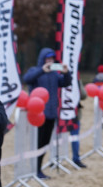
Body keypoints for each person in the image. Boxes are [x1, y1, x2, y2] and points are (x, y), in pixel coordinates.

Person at [23, 48, 72, 179]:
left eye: (52, 59)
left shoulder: (55, 74)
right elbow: (27, 79)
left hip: (51, 114)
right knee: (36, 142)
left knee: (44, 144)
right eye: (48, 58)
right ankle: (33, 169)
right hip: (37, 114)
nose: (50, 61)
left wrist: (67, 73)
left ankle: (38, 169)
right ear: (42, 59)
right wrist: (41, 70)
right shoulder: (35, 70)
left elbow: (66, 82)